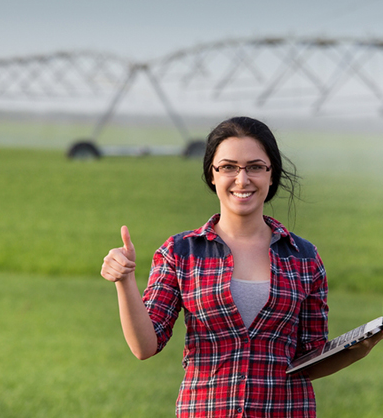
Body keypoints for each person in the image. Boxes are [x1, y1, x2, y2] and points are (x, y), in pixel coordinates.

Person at [101, 116, 382, 417]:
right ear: (212, 174)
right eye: (229, 167)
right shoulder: (180, 253)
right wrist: (125, 280)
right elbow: (145, 346)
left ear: (271, 174)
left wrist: (359, 348)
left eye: (255, 167)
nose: (242, 179)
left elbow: (309, 361)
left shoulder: (304, 257)